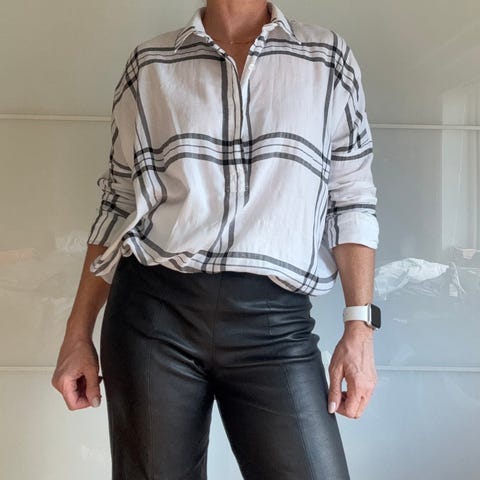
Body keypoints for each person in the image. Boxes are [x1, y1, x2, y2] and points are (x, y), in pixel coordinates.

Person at [51, 1, 379, 478]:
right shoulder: (151, 64)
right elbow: (118, 204)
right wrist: (77, 333)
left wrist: (359, 327)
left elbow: (351, 199)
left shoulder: (326, 58)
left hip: (273, 321)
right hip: (154, 316)